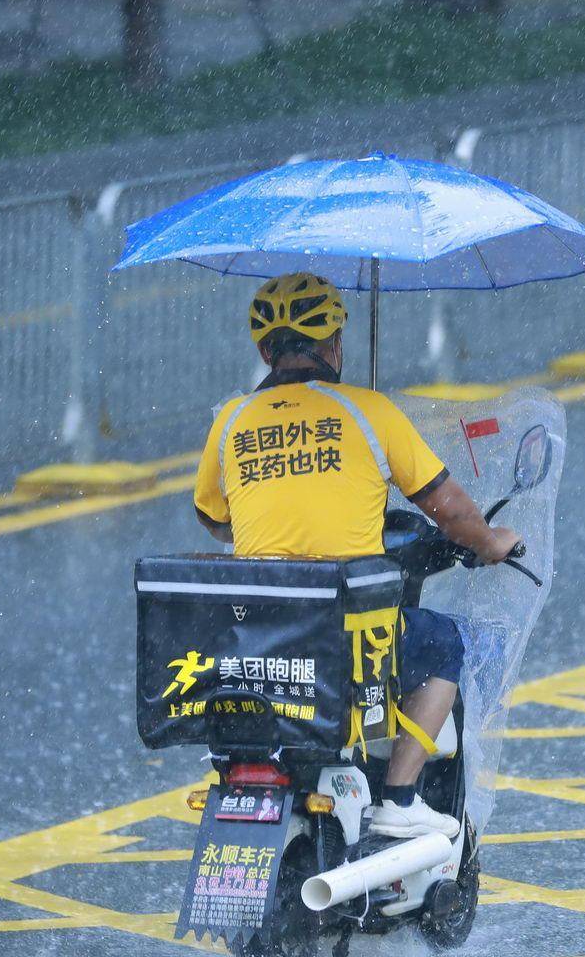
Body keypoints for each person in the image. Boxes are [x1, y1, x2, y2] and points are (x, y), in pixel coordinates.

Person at [193, 273, 520, 840]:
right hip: (349, 640)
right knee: (443, 642)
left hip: (260, 641)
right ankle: (397, 797)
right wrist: (492, 542)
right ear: (334, 345)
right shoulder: (369, 412)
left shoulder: (231, 422)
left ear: (266, 351)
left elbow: (215, 518)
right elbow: (449, 510)